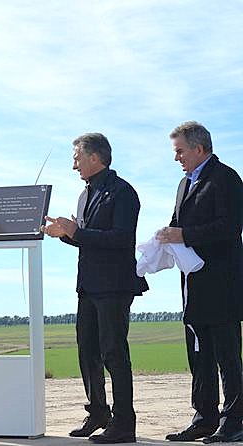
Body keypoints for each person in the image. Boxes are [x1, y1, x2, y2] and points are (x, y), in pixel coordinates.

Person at [42, 133, 147, 444]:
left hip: (114, 286)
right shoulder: (84, 194)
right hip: (88, 286)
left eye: (76, 157)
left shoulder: (123, 192)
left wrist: (78, 231)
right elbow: (85, 238)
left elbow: (120, 238)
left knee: (114, 353)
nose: (73, 164)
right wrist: (63, 234)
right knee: (87, 351)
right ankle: (98, 412)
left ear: (94, 157)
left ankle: (124, 423)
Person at [157, 121, 243, 444]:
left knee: (227, 356)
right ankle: (204, 417)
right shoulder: (184, 184)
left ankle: (235, 420)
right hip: (192, 287)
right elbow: (178, 223)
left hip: (222, 285)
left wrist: (185, 235)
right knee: (199, 356)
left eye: (180, 151)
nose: (176, 158)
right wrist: (165, 236)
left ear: (199, 148)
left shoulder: (227, 179)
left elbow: (230, 227)